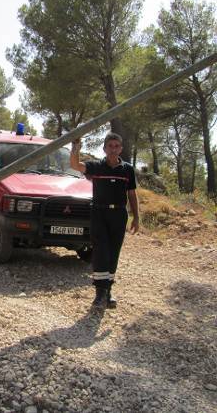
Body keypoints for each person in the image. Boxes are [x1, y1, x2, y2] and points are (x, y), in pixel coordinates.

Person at [70, 132, 140, 309]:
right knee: (101, 251)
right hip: (99, 213)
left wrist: (136, 217)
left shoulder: (127, 170)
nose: (113, 149)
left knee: (113, 253)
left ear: (121, 149)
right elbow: (74, 165)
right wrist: (76, 147)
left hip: (119, 215)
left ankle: (107, 292)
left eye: (117, 146)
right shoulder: (96, 167)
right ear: (104, 148)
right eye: (110, 146)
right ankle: (99, 294)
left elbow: (132, 193)